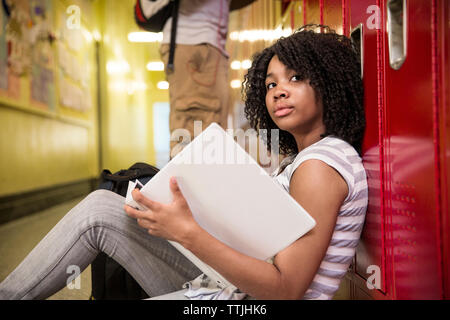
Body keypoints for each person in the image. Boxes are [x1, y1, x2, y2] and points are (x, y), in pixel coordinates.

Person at [0, 24, 367, 300]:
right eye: (270, 84)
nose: (279, 91)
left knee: (99, 212)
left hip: (244, 300)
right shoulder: (311, 158)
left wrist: (187, 232)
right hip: (232, 290)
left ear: (330, 82)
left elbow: (286, 289)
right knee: (114, 209)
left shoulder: (320, 166)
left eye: (296, 78)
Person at [159, 0, 232, 157]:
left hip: (201, 41)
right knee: (203, 130)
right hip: (196, 41)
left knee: (207, 130)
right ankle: (190, 181)